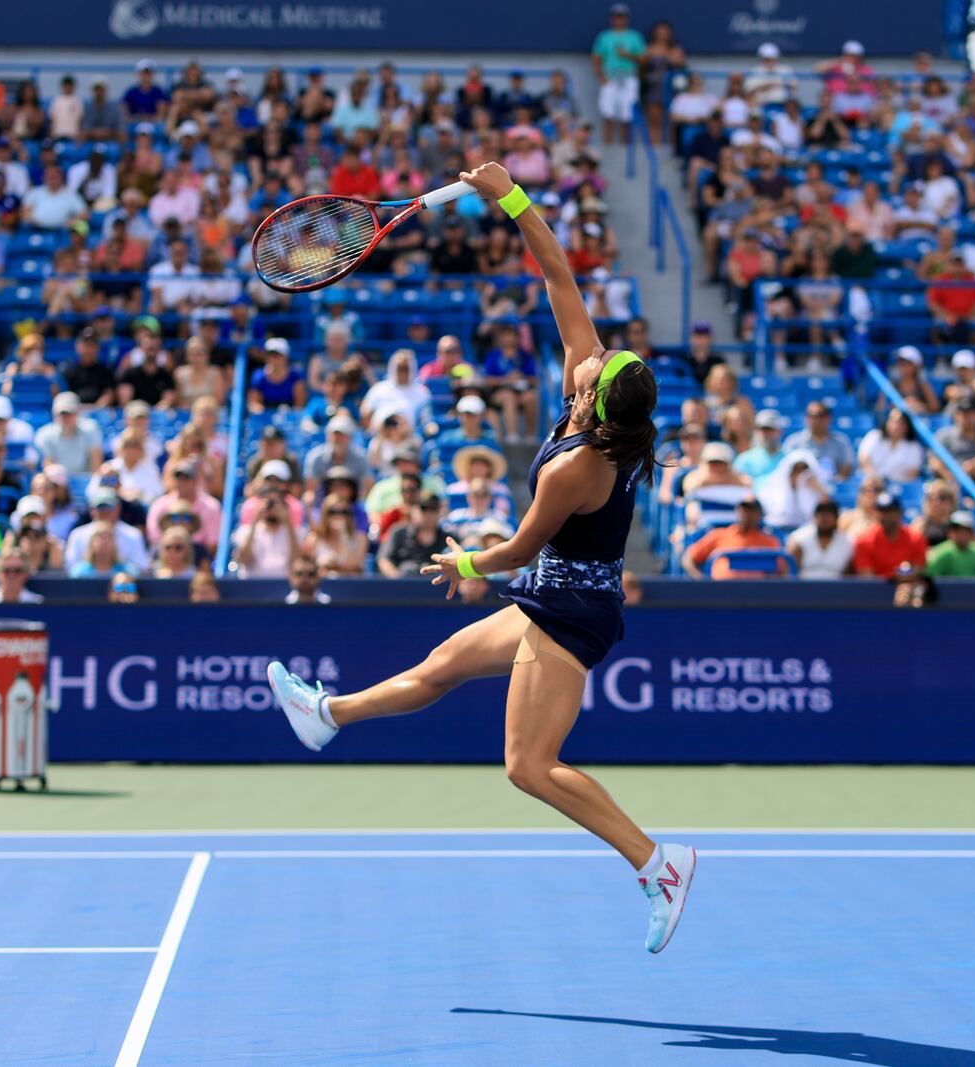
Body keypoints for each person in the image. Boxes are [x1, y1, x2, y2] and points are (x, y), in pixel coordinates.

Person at [265, 161, 695, 953]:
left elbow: (524, 544)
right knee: (440, 667)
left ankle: (656, 860)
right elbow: (560, 275)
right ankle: (325, 716)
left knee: (529, 767)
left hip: (571, 612)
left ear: (599, 398)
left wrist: (466, 565)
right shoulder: (591, 394)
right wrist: (512, 200)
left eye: (606, 362)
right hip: (554, 597)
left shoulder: (579, 465)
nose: (595, 352)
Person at [681, 494, 787, 578]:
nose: (746, 514)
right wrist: (701, 581)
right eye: (743, 509)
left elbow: (783, 571)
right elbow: (689, 558)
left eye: (751, 510)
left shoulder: (770, 541)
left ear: (759, 514)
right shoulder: (718, 535)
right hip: (721, 595)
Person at [591, 4, 646, 146]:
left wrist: (627, 55)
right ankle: (608, 145)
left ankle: (624, 147)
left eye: (622, 17)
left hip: (628, 77)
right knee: (608, 112)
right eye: (616, 16)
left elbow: (643, 59)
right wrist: (600, 77)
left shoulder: (634, 36)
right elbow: (596, 57)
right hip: (610, 77)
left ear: (626, 19)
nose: (619, 20)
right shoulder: (604, 37)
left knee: (627, 114)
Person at [852, 492, 928, 578]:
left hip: (907, 587)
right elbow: (867, 578)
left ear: (900, 513)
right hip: (875, 590)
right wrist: (896, 574)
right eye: (882, 511)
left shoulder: (916, 538)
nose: (885, 516)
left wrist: (903, 574)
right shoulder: (864, 541)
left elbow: (918, 570)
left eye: (890, 511)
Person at [786, 499, 853, 579]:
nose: (824, 518)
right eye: (820, 514)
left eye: (829, 514)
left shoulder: (847, 543)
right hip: (804, 588)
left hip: (836, 589)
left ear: (836, 518)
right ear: (814, 517)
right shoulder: (798, 539)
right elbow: (789, 573)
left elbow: (848, 575)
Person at [925, 511, 975, 577]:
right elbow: (929, 578)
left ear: (971, 533)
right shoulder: (940, 552)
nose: (961, 533)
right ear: (950, 532)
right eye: (956, 529)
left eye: (965, 530)